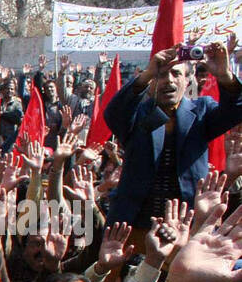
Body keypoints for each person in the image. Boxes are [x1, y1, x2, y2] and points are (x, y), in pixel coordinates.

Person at [104, 42, 242, 234]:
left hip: (187, 225)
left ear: (187, 80)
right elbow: (113, 114)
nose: (168, 81)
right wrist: (145, 75)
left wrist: (224, 75)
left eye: (176, 74)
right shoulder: (136, 115)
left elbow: (236, 111)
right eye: (161, 75)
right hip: (133, 225)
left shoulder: (202, 111)